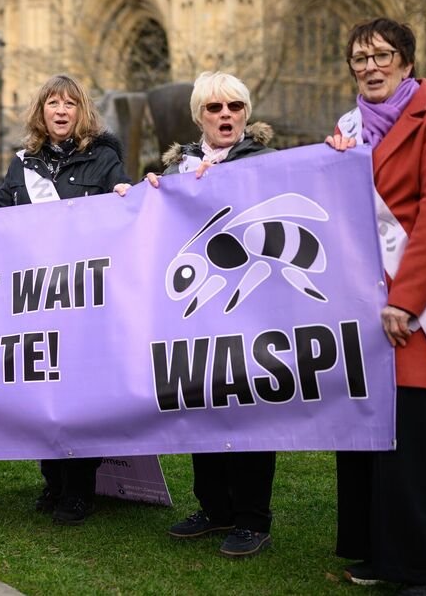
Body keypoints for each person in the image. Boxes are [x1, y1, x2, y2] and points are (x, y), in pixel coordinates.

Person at [325, 17, 426, 596]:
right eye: (360, 59)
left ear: (407, 62)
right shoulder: (346, 131)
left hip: (416, 309)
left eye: (382, 55)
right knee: (366, 440)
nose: (370, 67)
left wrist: (406, 301)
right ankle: (378, 554)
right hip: (360, 309)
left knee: (414, 449)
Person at [0, 75, 131, 525]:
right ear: (41, 112)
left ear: (81, 112)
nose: (61, 110)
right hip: (36, 299)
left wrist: (126, 196)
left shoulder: (104, 159)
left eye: (70, 104)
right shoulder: (24, 165)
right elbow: (2, 212)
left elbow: (125, 208)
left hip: (83, 296)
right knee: (41, 391)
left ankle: (78, 489)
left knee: (79, 394)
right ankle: (53, 480)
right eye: (53, 103)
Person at [141, 71, 278, 558]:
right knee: (202, 406)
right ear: (199, 116)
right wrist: (145, 194)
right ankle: (215, 507)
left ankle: (252, 519)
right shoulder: (177, 169)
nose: (225, 115)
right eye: (214, 108)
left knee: (249, 410)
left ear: (246, 113)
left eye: (235, 107)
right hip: (194, 312)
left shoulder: (266, 163)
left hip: (249, 306)